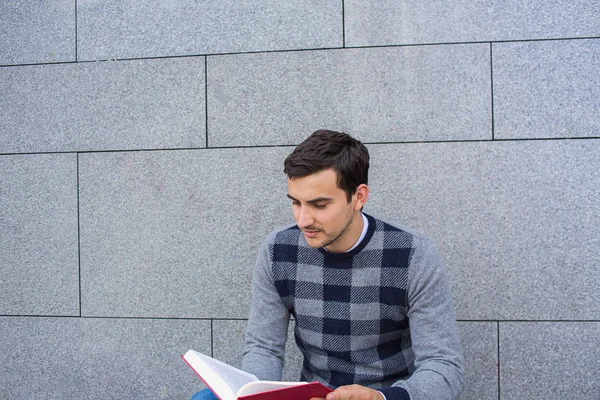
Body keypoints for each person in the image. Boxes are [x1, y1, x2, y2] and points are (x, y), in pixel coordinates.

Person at [193, 130, 464, 400]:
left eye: (319, 205)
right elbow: (264, 348)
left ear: (358, 196)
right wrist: (252, 394)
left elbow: (443, 367)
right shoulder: (279, 251)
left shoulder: (412, 255)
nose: (303, 220)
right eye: (296, 203)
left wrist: (382, 398)